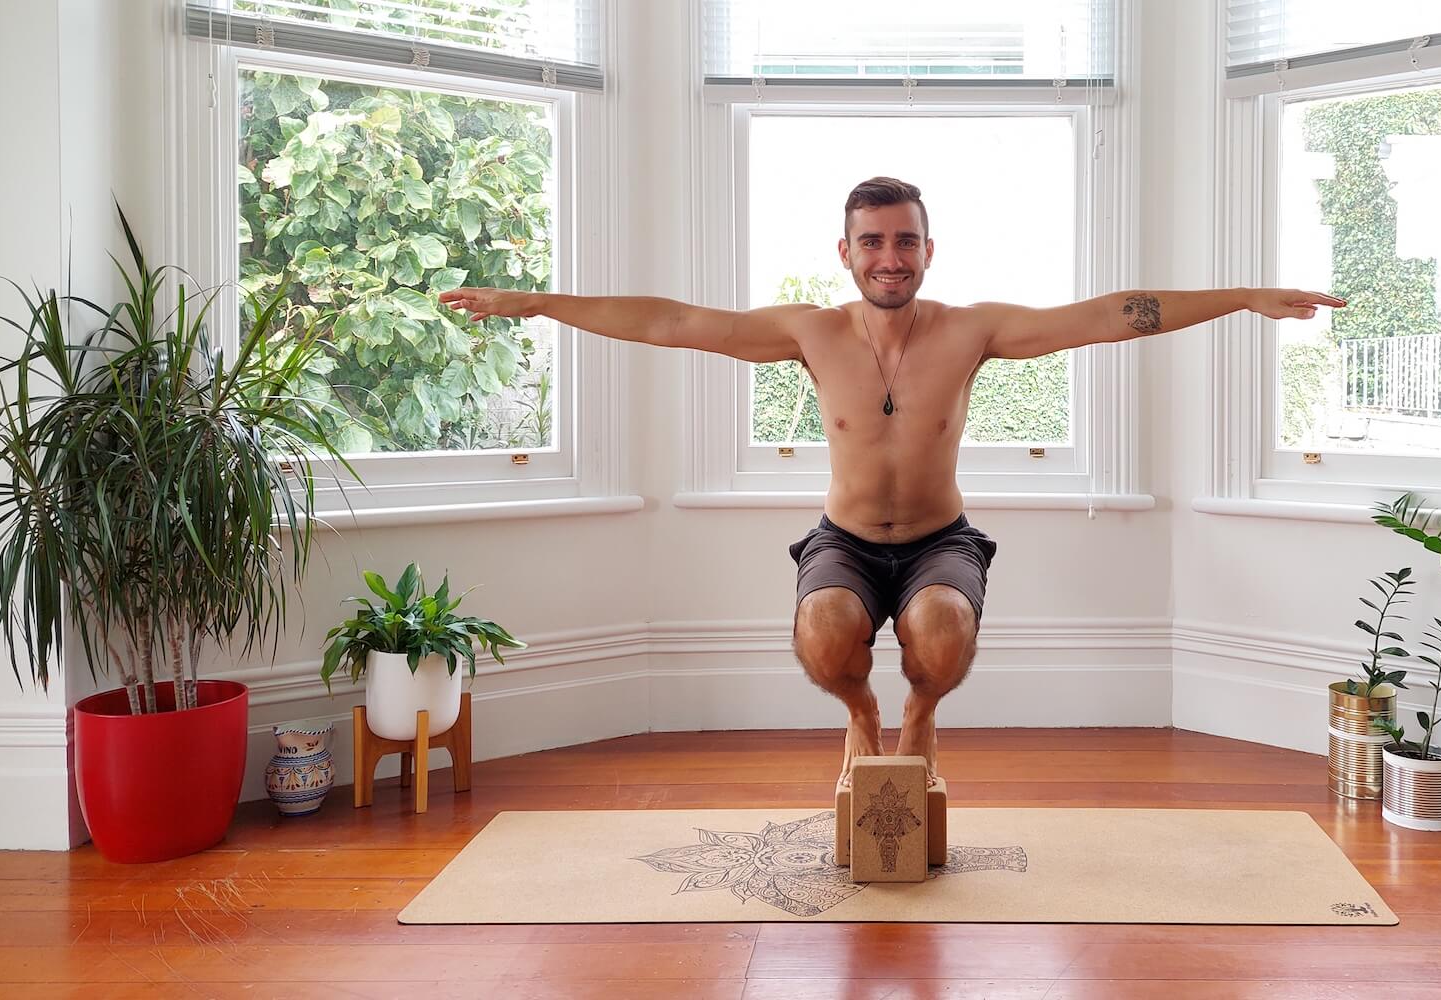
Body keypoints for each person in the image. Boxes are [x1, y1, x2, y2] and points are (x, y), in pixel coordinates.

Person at [440, 176, 1344, 789]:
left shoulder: (970, 329)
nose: (889, 256)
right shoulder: (811, 332)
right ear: (845, 250)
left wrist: (1242, 297)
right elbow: (677, 320)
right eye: (872, 241)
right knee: (824, 639)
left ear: (928, 248)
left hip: (939, 542)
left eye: (904, 240)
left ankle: (919, 717)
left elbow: (1110, 317)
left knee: (941, 636)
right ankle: (863, 713)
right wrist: (541, 303)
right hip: (843, 541)